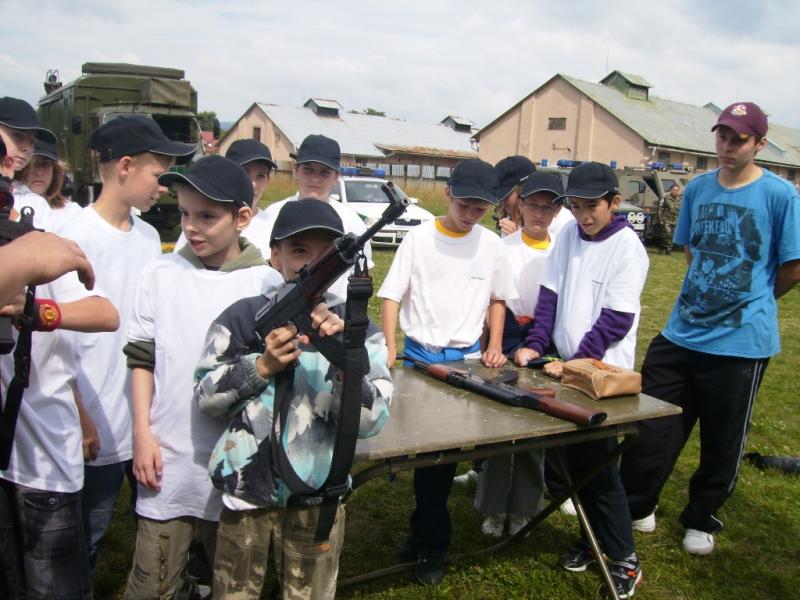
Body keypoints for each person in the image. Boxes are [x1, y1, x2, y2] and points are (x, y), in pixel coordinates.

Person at [620, 102, 800, 556]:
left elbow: (793, 267)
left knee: (722, 438)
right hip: (681, 333)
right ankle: (639, 505)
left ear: (760, 144)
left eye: (739, 139)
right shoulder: (698, 189)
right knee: (652, 426)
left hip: (741, 343)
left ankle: (701, 518)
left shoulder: (781, 196)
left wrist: (754, 301)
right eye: (722, 135)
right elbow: (691, 252)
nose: (727, 146)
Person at [194, 199, 392, 599]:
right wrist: (261, 366)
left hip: (317, 494)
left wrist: (345, 360)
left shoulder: (357, 329)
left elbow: (372, 421)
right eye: (300, 250)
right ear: (275, 256)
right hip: (247, 493)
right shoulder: (242, 317)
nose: (312, 263)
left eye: (324, 253)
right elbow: (207, 398)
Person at [122, 155, 280, 599]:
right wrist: (141, 435)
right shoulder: (160, 274)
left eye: (207, 216)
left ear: (242, 218)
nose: (191, 227)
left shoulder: (266, 285)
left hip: (238, 463)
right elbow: (141, 360)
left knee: (234, 584)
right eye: (184, 213)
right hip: (167, 458)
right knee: (151, 584)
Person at [58, 115, 197, 579]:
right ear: (125, 167)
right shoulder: (73, 239)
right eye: (158, 174)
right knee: (88, 533)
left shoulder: (148, 237)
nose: (164, 187)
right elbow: (55, 341)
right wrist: (80, 414)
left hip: (142, 418)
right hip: (93, 421)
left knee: (153, 525)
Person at [514, 162, 649, 599]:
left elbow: (617, 319)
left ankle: (625, 559)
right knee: (574, 467)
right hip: (566, 369)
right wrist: (537, 343)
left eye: (592, 207)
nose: (583, 215)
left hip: (601, 375)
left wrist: (576, 362)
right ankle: (593, 542)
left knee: (599, 469)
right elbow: (549, 296)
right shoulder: (570, 235)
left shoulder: (628, 248)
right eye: (575, 206)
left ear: (614, 203)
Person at [379, 158, 512, 585]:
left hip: (466, 362)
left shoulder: (492, 245)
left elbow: (498, 299)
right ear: (448, 194)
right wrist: (390, 344)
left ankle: (430, 543)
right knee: (428, 456)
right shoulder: (419, 238)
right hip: (421, 359)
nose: (471, 215)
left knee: (440, 461)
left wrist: (494, 345)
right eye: (464, 205)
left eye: (480, 209)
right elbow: (391, 295)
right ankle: (427, 537)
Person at [475, 171, 564, 538]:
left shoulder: (562, 250)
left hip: (545, 338)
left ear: (558, 211)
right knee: (500, 423)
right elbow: (490, 300)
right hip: (508, 333)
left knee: (535, 428)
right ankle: (494, 507)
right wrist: (489, 344)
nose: (539, 214)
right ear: (521, 205)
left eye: (548, 207)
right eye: (533, 205)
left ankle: (525, 508)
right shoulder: (503, 247)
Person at [261, 134, 373, 301]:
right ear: (296, 170)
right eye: (308, 170)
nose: (315, 179)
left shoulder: (352, 222)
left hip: (332, 310)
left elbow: (359, 275)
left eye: (324, 173)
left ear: (336, 176)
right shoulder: (272, 214)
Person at [175, 138, 278, 259]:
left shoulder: (273, 227)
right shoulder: (196, 225)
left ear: (268, 181)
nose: (253, 184)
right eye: (244, 173)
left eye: (261, 176)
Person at [0, 96, 57, 230]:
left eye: (32, 141)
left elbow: (41, 243)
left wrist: (10, 213)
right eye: (17, 135)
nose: (26, 147)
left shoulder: (35, 203)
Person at [18, 138, 82, 231]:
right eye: (32, 164)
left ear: (55, 171)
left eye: (45, 164)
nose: (39, 172)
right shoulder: (8, 208)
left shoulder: (72, 213)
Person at [494, 155, 536, 237]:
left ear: (523, 190)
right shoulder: (508, 221)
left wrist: (518, 236)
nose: (502, 201)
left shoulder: (550, 221)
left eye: (506, 194)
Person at [656, 184, 681, 254]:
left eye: (677, 190)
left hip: (676, 220)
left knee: (670, 235)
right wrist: (660, 220)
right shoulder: (665, 199)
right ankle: (669, 249)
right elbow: (660, 209)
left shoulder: (681, 200)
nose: (675, 192)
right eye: (674, 190)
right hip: (666, 219)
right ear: (671, 190)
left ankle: (662, 247)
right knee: (668, 233)